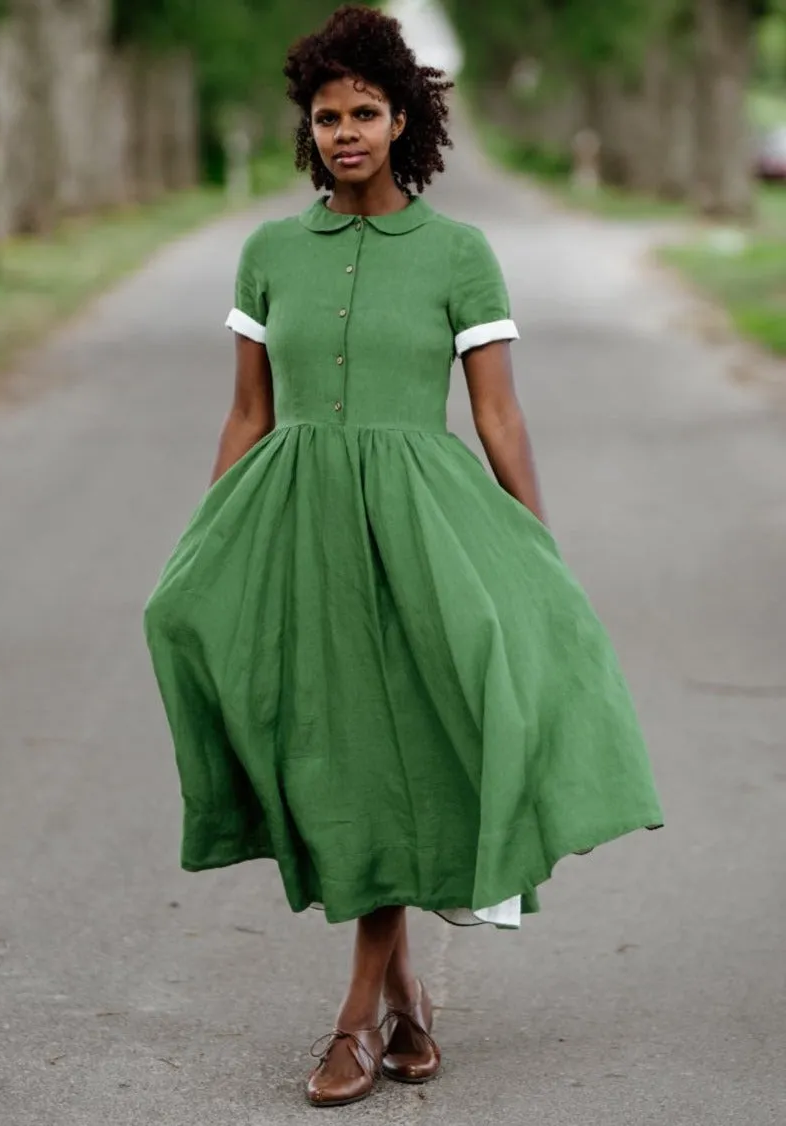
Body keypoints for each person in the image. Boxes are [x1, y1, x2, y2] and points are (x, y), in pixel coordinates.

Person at [144, 4, 663, 1109]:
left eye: (365, 111)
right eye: (327, 115)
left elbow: (500, 418)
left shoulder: (460, 254)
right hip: (296, 521)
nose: (344, 132)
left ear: (402, 117)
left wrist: (537, 550)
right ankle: (410, 1004)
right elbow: (247, 412)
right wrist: (210, 537)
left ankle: (353, 1027)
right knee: (333, 749)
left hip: (424, 524)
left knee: (395, 755)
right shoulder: (269, 250)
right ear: (309, 127)